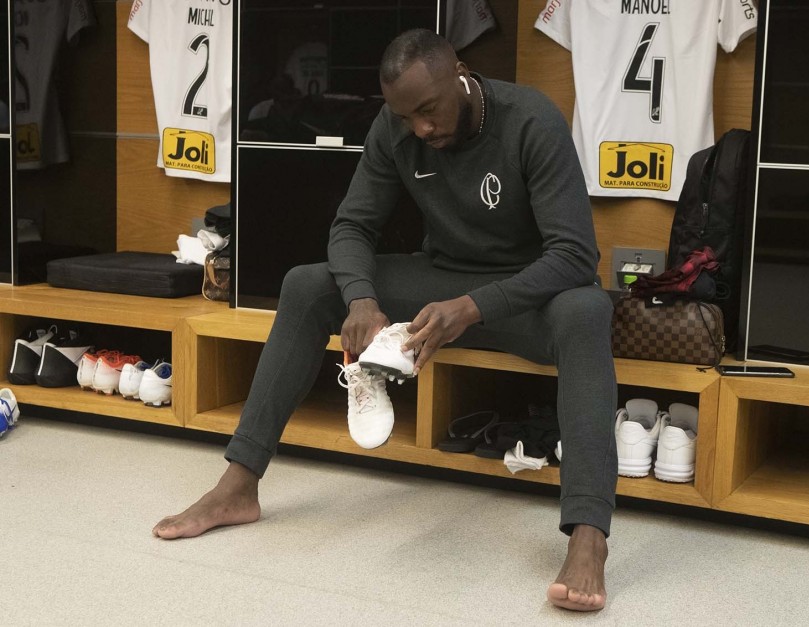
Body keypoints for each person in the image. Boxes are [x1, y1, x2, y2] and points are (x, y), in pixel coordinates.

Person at [153, 29, 618, 612]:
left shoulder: (531, 120)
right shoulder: (396, 127)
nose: (420, 129)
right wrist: (361, 300)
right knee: (306, 283)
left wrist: (476, 307)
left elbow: (575, 257)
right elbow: (352, 226)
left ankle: (588, 535)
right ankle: (237, 485)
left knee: (587, 308)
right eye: (406, 117)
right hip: (442, 279)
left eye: (428, 110)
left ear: (460, 74)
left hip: (527, 298)